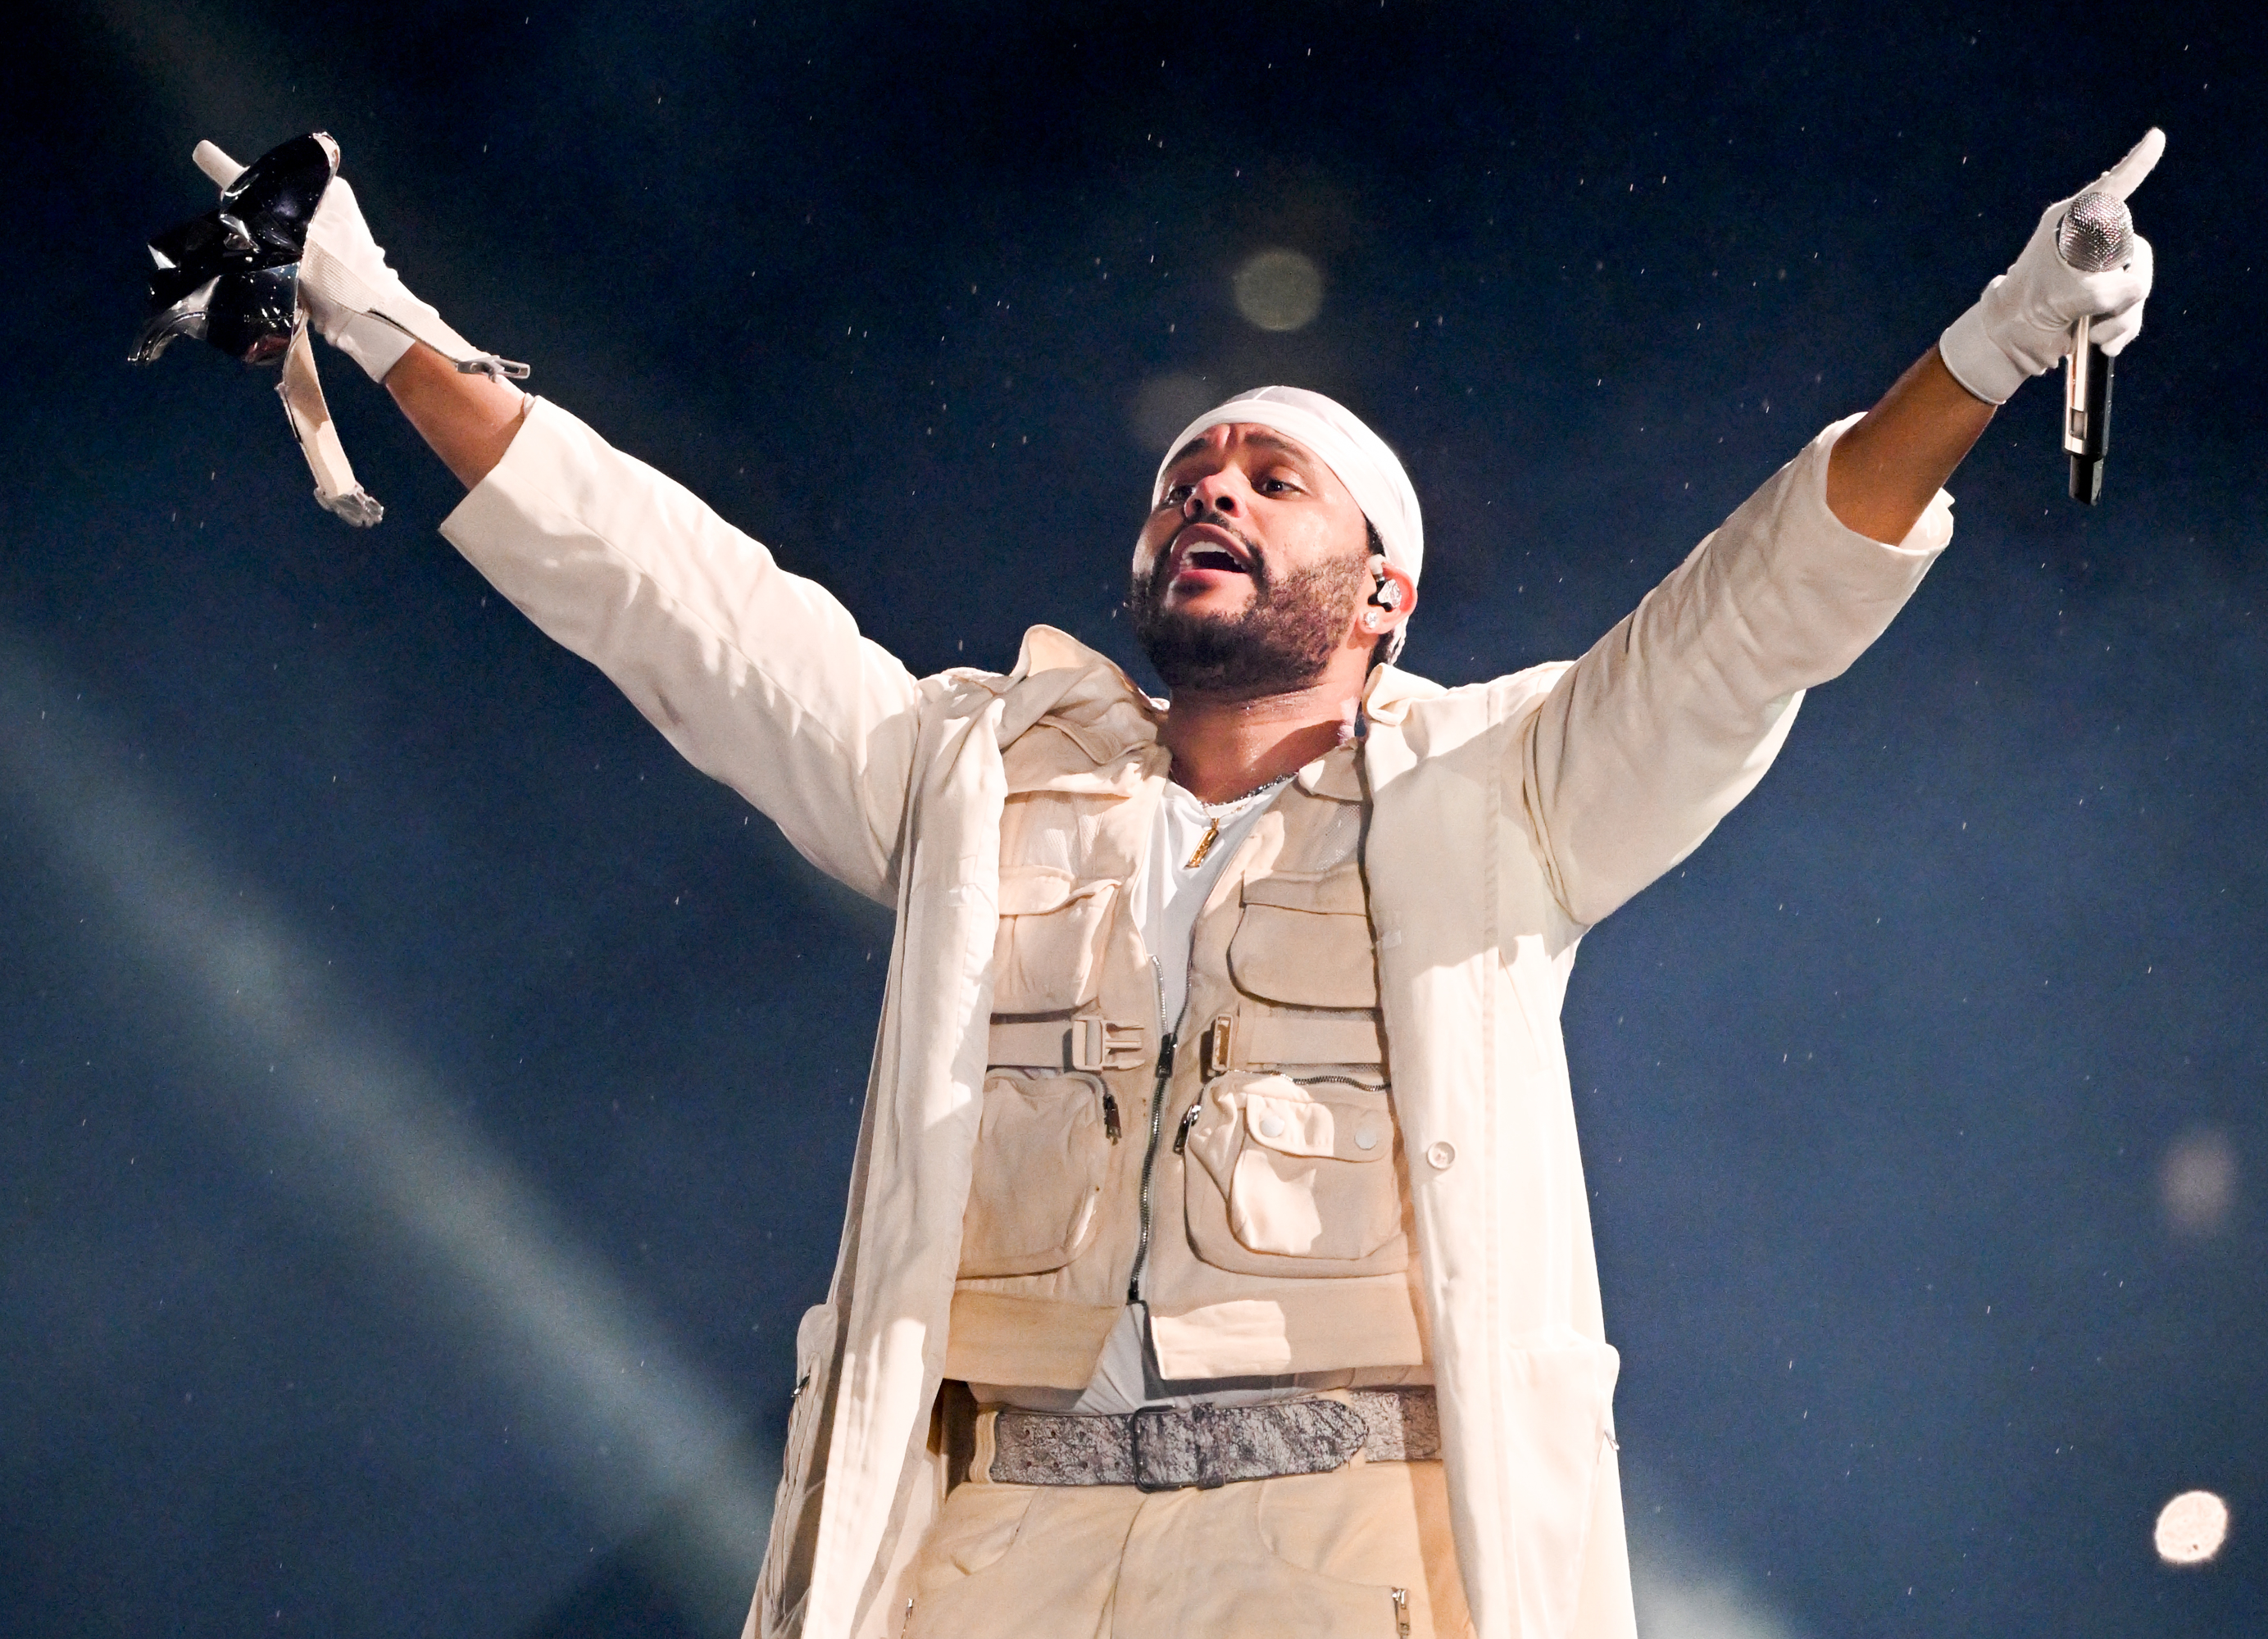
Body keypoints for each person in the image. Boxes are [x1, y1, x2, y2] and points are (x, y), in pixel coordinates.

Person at [181, 125, 2160, 1638]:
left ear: (1383, 593)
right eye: (1184, 472)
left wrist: (1994, 344)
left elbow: (1759, 610)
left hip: (1344, 1550)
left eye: (1268, 475)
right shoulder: (969, 776)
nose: (1207, 484)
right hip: (992, 1551)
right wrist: (375, 315)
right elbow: (685, 606)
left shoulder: (1509, 787)